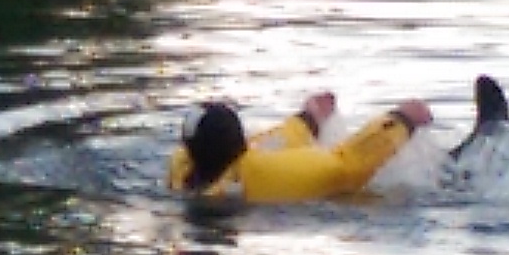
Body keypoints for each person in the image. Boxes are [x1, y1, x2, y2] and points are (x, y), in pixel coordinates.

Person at [168, 91, 434, 202]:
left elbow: (270, 140)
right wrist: (402, 119)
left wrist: (309, 119)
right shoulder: (267, 175)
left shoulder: (182, 172)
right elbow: (349, 164)